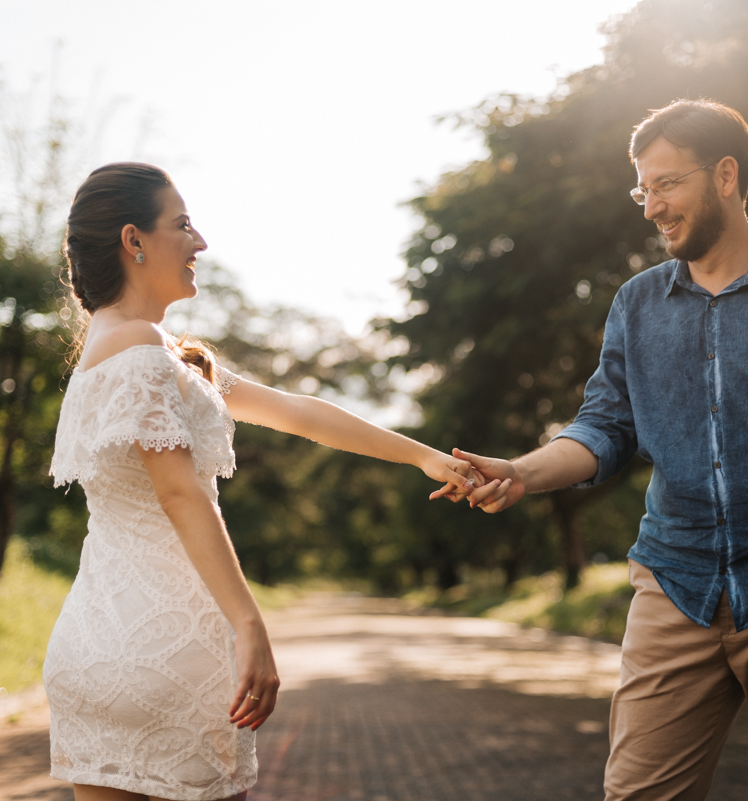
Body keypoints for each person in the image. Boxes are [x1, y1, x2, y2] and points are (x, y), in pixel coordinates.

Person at [438, 100, 748, 800]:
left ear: (725, 175)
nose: (652, 207)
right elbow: (604, 428)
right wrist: (520, 472)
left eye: (666, 184)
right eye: (642, 189)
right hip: (675, 584)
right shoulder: (637, 304)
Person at [44, 162, 477, 801]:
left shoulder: (120, 351)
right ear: (133, 240)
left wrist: (424, 457)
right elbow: (180, 494)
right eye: (182, 225)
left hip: (91, 646)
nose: (200, 241)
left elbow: (295, 412)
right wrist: (249, 624)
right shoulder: (142, 350)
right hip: (169, 645)